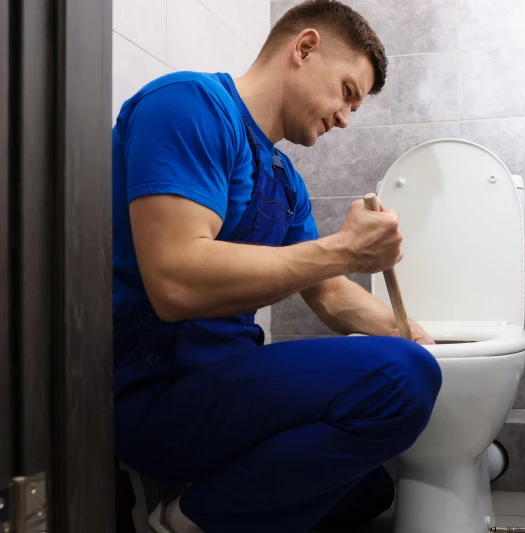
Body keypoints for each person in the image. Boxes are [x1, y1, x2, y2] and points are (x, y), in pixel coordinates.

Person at [111, 1, 442, 531]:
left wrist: (410, 333)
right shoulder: (186, 105)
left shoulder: (284, 179)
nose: (344, 118)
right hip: (159, 394)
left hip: (223, 382)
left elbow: (331, 295)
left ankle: (223, 507)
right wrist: (345, 249)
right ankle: (181, 522)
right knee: (403, 380)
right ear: (304, 48)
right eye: (346, 93)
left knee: (368, 491)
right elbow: (173, 279)